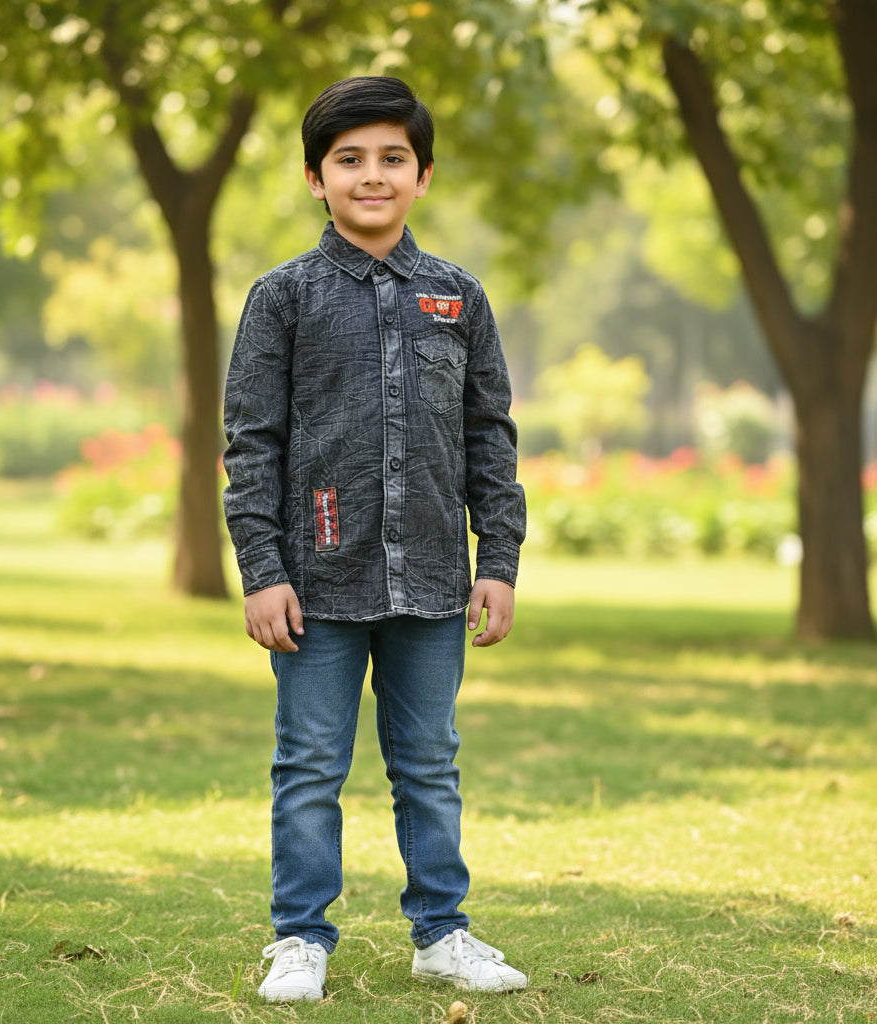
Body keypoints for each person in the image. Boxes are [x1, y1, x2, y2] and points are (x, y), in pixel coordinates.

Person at [222, 75, 527, 1003]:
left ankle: (442, 932)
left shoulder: (456, 298)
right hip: (315, 584)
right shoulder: (282, 299)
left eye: (393, 158)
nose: (372, 175)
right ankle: (301, 939)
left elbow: (490, 437)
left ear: (423, 175)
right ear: (316, 179)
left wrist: (500, 562)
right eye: (349, 159)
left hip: (435, 582)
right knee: (309, 764)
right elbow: (252, 443)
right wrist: (263, 570)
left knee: (428, 763)